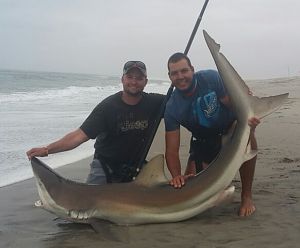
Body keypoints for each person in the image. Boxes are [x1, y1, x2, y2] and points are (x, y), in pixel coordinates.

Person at [27, 61, 165, 184]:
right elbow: (78, 136)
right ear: (122, 79)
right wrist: (47, 150)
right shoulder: (108, 107)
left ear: (146, 82)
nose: (134, 82)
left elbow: (181, 100)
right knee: (87, 205)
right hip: (105, 166)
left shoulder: (154, 103)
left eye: (139, 78)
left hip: (136, 165)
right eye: (129, 77)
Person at [164, 52, 260, 217]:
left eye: (184, 71)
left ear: (192, 69)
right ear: (169, 76)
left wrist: (248, 112)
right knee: (193, 189)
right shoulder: (172, 107)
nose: (180, 77)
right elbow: (171, 150)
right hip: (203, 141)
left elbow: (233, 104)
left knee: (246, 135)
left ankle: (246, 196)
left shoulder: (210, 78)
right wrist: (176, 176)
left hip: (230, 129)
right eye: (175, 73)